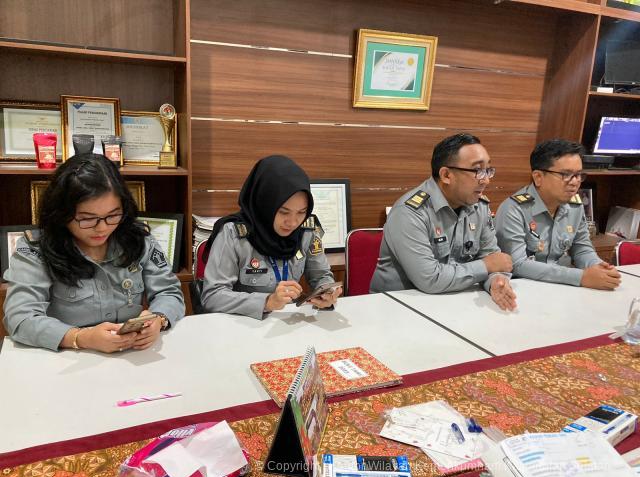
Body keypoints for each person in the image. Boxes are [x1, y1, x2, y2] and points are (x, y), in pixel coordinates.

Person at [3, 154, 185, 352]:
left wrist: (158, 318)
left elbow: (169, 292)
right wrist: (80, 338)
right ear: (62, 213)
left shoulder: (138, 240)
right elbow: (20, 318)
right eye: (87, 219)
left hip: (131, 355)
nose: (102, 228)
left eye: (113, 215)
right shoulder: (36, 250)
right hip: (66, 358)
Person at [370, 133, 517, 311]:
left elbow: (494, 259)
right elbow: (430, 279)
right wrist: (486, 266)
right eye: (477, 170)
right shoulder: (409, 212)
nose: (486, 179)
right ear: (446, 175)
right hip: (400, 308)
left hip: (455, 303)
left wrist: (495, 281)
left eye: (488, 170)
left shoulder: (479, 206)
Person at [201, 155, 340, 319]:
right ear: (265, 204)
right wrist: (267, 301)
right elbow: (212, 296)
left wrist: (327, 292)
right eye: (283, 212)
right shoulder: (233, 233)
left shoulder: (306, 231)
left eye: (301, 212)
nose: (293, 222)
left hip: (289, 324)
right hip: (245, 325)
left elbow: (321, 276)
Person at [494, 139, 621, 290]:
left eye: (578, 175)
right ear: (538, 177)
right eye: (566, 174)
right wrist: (580, 277)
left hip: (563, 286)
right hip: (524, 288)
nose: (575, 182)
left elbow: (582, 248)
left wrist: (599, 267)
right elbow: (517, 264)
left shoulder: (574, 206)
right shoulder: (514, 209)